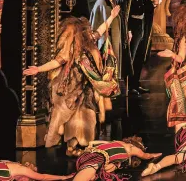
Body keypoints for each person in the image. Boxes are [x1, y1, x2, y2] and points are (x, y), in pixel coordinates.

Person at [24, 15, 121, 156]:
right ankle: (72, 147)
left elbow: (100, 30)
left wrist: (112, 16)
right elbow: (57, 62)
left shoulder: (90, 42)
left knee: (88, 115)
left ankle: (84, 145)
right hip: (73, 90)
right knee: (74, 119)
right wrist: (38, 69)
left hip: (87, 90)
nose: (88, 32)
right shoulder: (71, 50)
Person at [115, 0, 163, 95]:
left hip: (140, 26)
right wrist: (127, 31)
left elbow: (146, 5)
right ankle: (130, 87)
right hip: (132, 29)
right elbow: (123, 15)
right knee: (131, 57)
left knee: (139, 56)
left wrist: (153, 4)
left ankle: (136, 84)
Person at [89, 0, 127, 88]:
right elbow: (97, 25)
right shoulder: (102, 2)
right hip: (107, 40)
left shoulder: (110, 0)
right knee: (108, 65)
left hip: (113, 38)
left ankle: (113, 85)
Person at [70, 137, 160, 181]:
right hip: (97, 157)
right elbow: (145, 155)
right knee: (89, 170)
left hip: (86, 155)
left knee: (92, 172)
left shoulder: (120, 143)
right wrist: (154, 155)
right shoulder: (132, 148)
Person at [0, 161, 70, 181]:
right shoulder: (21, 168)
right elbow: (43, 177)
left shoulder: (17, 167)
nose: (31, 165)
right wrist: (62, 177)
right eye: (33, 166)